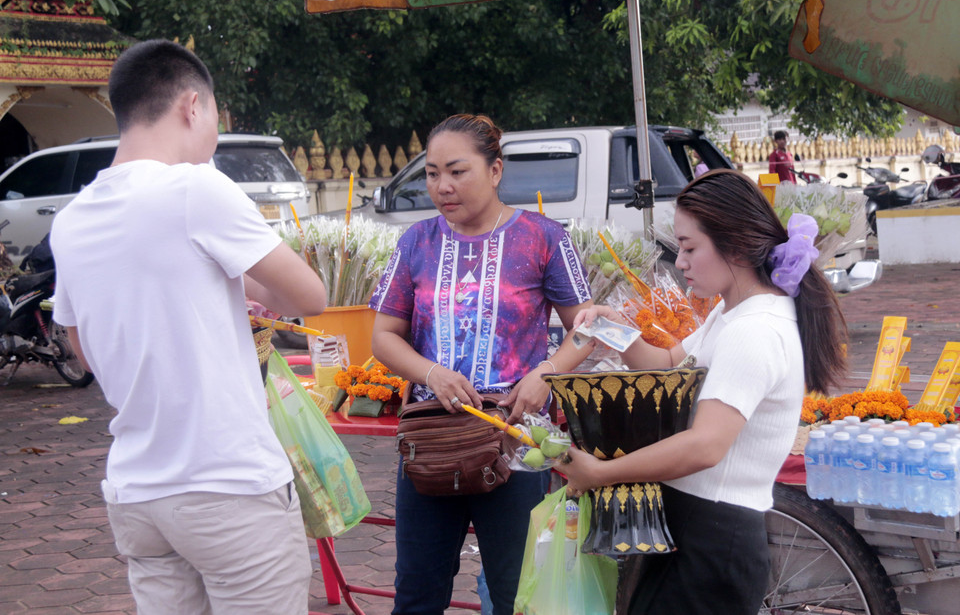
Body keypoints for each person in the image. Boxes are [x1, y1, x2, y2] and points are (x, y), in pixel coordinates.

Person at [50, 40, 328, 615]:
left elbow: (84, 349)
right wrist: (245, 289)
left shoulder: (73, 219)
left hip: (137, 493)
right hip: (226, 482)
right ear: (192, 106)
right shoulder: (195, 189)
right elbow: (310, 295)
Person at [555, 169, 847, 615]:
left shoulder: (755, 330)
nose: (682, 262)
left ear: (732, 244)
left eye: (690, 248)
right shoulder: (731, 314)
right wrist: (611, 327)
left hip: (714, 537)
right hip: (694, 523)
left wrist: (602, 473)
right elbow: (668, 365)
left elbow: (706, 445)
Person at [368, 113, 594, 615]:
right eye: (431, 174)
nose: (442, 186)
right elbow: (383, 337)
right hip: (430, 442)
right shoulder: (415, 243)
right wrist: (430, 373)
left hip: (514, 443)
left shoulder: (543, 237)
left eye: (457, 171)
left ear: (495, 171)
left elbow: (590, 327)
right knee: (417, 594)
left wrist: (547, 372)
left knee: (517, 593)